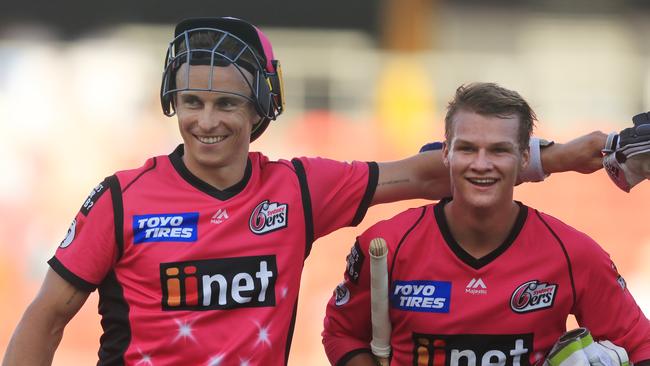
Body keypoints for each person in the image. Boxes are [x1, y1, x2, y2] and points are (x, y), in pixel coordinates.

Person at [2, 18, 607, 366]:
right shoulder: (120, 198)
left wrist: (566, 158)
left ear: (261, 107)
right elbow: (47, 316)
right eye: (192, 102)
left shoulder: (296, 189)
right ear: (173, 105)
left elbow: (429, 173)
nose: (206, 120)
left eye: (227, 103)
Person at [321, 82, 650, 366]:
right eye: (467, 149)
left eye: (498, 150)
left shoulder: (574, 254)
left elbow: (641, 346)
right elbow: (342, 333)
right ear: (446, 152)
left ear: (524, 157)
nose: (481, 164)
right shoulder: (386, 244)